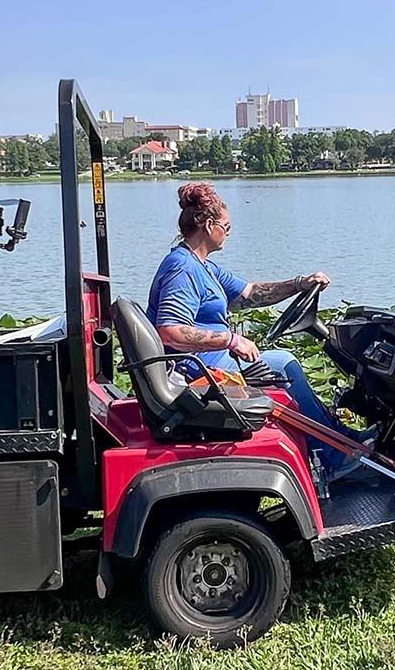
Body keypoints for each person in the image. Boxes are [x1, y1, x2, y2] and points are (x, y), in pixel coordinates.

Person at [145, 181, 371, 474]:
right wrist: (230, 340)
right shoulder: (183, 269)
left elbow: (249, 293)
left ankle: (339, 442)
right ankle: (333, 455)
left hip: (214, 365)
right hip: (200, 373)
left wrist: (300, 284)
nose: (229, 233)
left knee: (284, 364)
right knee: (285, 365)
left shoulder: (203, 266)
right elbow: (170, 330)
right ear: (210, 225)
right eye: (226, 227)